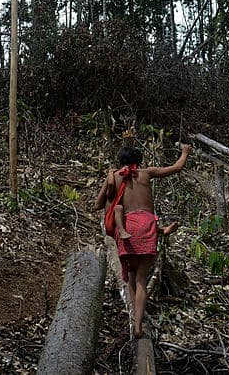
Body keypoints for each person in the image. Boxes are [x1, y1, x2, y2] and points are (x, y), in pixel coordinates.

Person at [94, 138, 192, 338]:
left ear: (120, 160)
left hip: (128, 226)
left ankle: (133, 318)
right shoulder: (147, 173)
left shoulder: (114, 176)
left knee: (130, 276)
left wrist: (111, 183)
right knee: (141, 279)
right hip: (147, 226)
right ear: (139, 160)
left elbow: (97, 204)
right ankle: (139, 325)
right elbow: (176, 168)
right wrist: (185, 152)